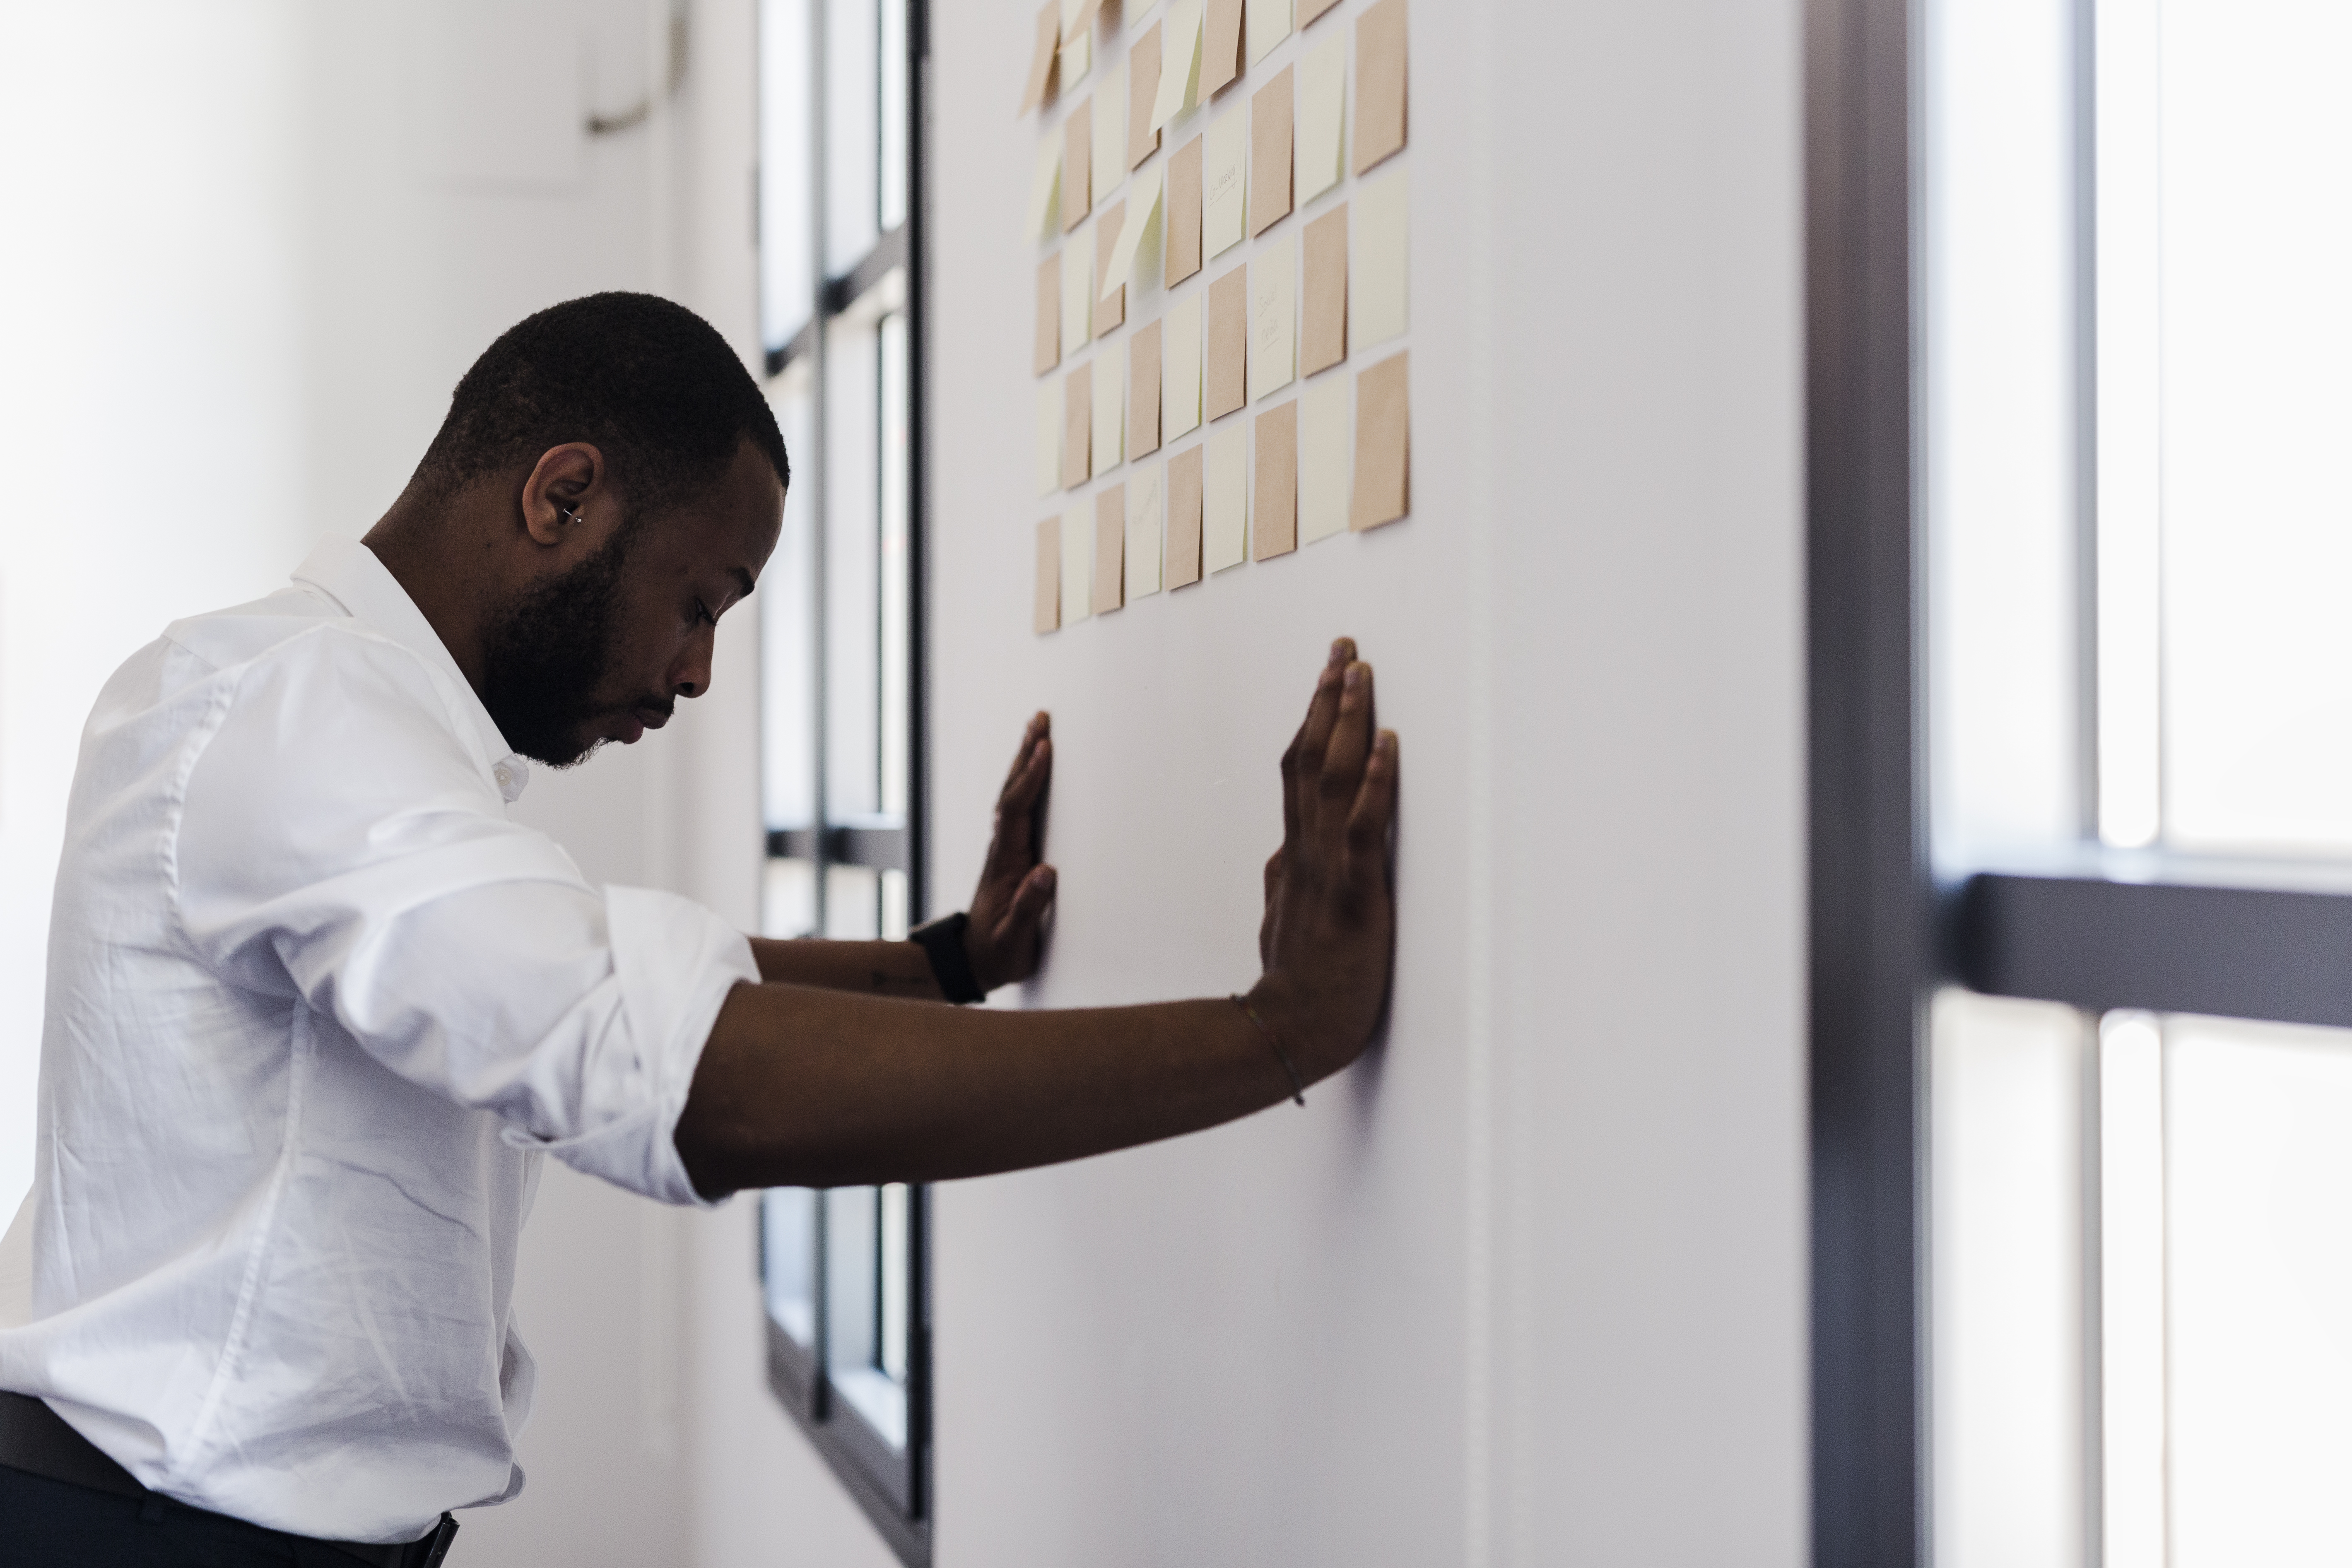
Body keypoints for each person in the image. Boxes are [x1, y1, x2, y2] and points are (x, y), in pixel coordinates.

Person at [0, 292, 1398, 1565]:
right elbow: (675, 1067)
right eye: (699, 600)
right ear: (563, 495)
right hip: (151, 1532)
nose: (698, 670)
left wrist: (946, 964)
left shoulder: (330, 715)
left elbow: (579, 966)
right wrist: (1272, 1032)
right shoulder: (298, 716)